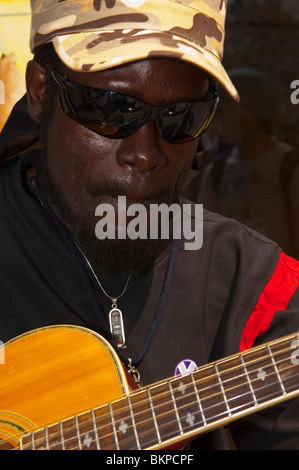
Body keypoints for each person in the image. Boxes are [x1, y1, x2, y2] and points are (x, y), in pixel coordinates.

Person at [0, 0, 299, 450]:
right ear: (42, 91)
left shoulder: (252, 284)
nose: (147, 153)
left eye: (182, 117)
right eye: (111, 107)